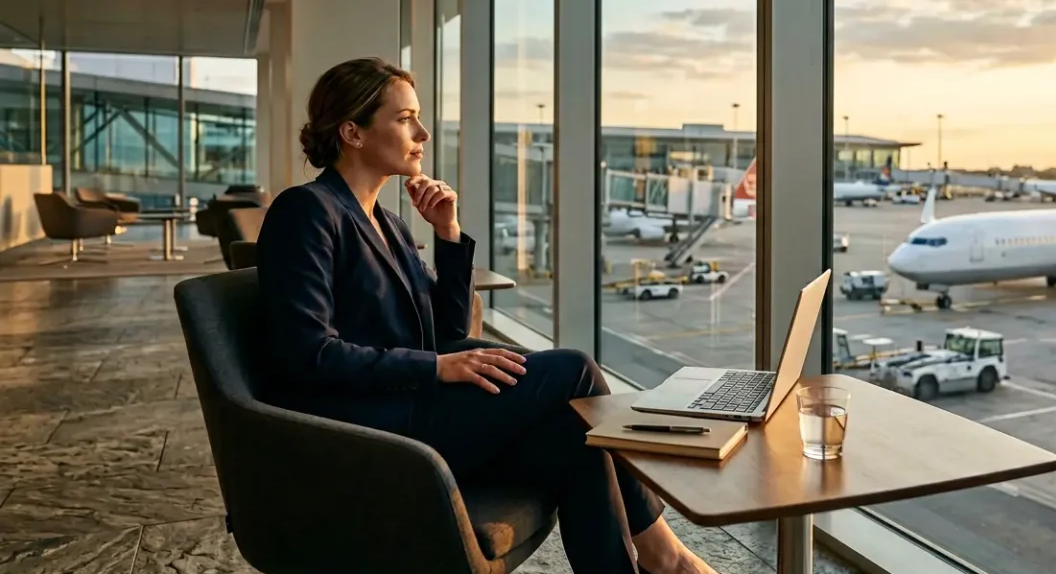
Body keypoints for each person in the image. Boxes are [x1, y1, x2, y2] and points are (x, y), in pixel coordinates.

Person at [256, 57, 718, 574]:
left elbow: (448, 332)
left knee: (578, 439)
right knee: (574, 370)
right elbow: (306, 353)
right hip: (365, 430)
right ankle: (665, 556)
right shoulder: (307, 211)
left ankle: (643, 564)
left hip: (412, 409)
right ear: (352, 132)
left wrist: (448, 235)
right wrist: (436, 368)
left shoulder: (388, 222)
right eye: (405, 118)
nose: (423, 132)